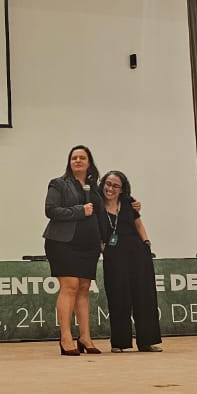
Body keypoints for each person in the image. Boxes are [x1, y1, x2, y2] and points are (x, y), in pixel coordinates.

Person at [43, 145, 102, 355]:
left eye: (82, 158)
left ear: (89, 162)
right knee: (70, 286)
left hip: (89, 245)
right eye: (74, 157)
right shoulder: (58, 184)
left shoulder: (94, 188)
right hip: (62, 243)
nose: (77, 160)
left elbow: (102, 212)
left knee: (84, 288)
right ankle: (66, 337)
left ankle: (85, 337)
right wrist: (80, 210)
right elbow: (51, 210)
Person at [98, 170, 163, 353]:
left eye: (115, 186)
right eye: (108, 184)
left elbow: (139, 224)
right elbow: (94, 230)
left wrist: (146, 243)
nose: (110, 188)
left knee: (144, 297)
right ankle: (119, 343)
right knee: (118, 297)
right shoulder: (96, 205)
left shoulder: (128, 202)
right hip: (114, 256)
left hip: (137, 253)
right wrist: (102, 248)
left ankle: (147, 341)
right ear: (103, 184)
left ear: (122, 189)